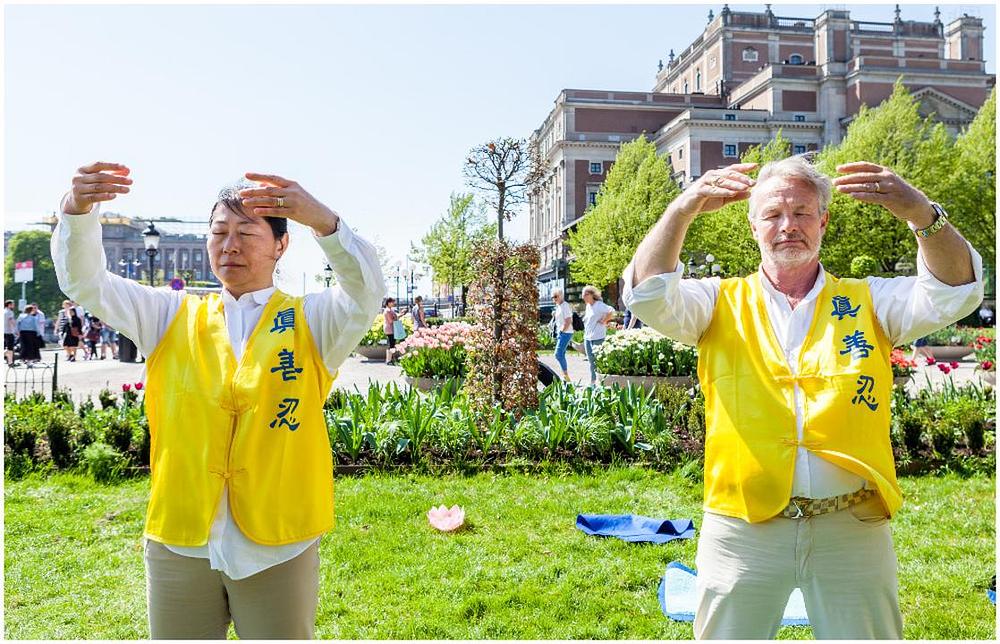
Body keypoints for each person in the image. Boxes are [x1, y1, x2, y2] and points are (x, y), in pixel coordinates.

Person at [624, 156, 983, 639]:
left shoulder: (868, 300)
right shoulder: (715, 302)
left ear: (823, 221)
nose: (788, 226)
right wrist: (683, 208)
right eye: (772, 214)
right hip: (742, 525)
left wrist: (920, 212)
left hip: (851, 523)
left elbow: (955, 291)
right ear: (753, 226)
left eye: (801, 213)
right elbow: (647, 294)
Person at [52, 161, 385, 639]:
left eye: (246, 232)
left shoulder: (313, 320)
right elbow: (88, 283)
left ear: (281, 244)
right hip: (181, 540)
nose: (229, 245)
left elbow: (366, 291)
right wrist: (77, 211)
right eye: (219, 232)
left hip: (278, 543)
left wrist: (324, 222)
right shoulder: (169, 314)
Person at [581, 285, 615, 386]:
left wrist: (604, 320)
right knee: (591, 361)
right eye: (583, 295)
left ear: (592, 294)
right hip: (588, 337)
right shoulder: (588, 306)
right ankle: (593, 381)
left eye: (585, 294)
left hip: (598, 337)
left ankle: (602, 382)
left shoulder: (599, 305)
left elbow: (611, 311)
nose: (583, 297)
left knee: (598, 360)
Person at [551, 289, 574, 381]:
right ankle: (564, 375)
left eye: (556, 296)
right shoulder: (559, 306)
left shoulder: (565, 306)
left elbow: (568, 320)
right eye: (553, 297)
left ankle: (566, 376)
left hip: (566, 333)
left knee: (558, 354)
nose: (554, 299)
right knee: (562, 354)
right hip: (562, 333)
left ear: (561, 295)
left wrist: (562, 331)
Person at [383, 297, 398, 364]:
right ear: (388, 303)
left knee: (392, 343)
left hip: (391, 328)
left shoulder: (390, 310)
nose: (393, 303)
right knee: (391, 344)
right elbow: (390, 321)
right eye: (392, 302)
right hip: (390, 329)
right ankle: (389, 360)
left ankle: (390, 359)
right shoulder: (387, 311)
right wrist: (396, 318)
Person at [4, 300, 17, 366]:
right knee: (10, 348)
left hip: (4, 331)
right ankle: (10, 362)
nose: (14, 305)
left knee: (8, 348)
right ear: (9, 305)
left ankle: (10, 362)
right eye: (13, 304)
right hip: (9, 332)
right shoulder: (9, 312)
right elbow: (11, 321)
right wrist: (16, 330)